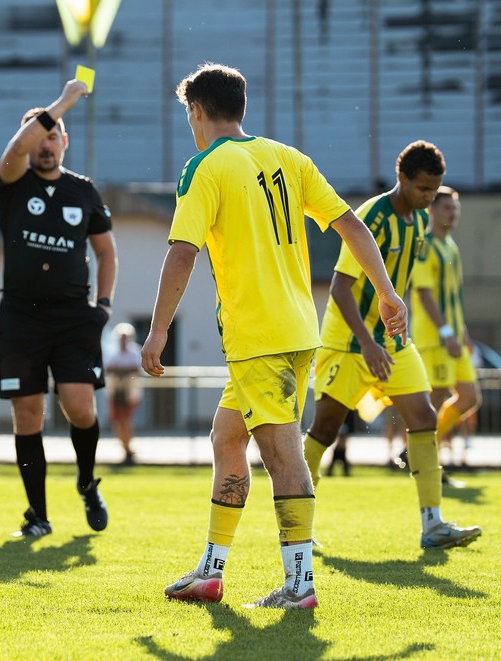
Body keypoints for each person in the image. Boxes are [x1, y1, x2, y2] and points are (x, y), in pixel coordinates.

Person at [141, 63, 408, 609]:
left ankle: (300, 585)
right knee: (227, 440)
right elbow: (350, 224)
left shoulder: (204, 167)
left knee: (283, 454)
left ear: (195, 110)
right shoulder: (289, 158)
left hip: (258, 337)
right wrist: (386, 292)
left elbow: (182, 251)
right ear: (241, 107)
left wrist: (158, 330)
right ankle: (211, 572)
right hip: (296, 329)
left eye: (187, 113)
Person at [303, 141, 482, 550]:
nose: (429, 198)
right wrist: (366, 344)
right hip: (350, 342)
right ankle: (297, 524)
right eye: (423, 189)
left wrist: (390, 334)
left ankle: (432, 524)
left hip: (394, 343)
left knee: (424, 416)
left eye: (435, 190)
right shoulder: (373, 217)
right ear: (402, 178)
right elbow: (341, 288)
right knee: (325, 428)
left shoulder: (420, 221)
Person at [0, 78, 118, 538]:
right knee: (28, 412)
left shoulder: (83, 191)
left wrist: (102, 305)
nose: (44, 144)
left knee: (79, 407)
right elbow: (15, 149)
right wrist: (64, 101)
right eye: (37, 136)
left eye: (53, 135)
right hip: (21, 315)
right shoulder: (10, 180)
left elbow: (107, 252)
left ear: (64, 141)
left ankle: (87, 483)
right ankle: (38, 516)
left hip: (72, 316)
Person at [410, 186, 481, 485]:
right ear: (432, 211)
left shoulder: (450, 246)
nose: (452, 213)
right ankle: (425, 462)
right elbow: (423, 293)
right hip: (436, 339)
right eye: (446, 208)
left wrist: (462, 333)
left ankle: (419, 451)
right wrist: (447, 331)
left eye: (455, 208)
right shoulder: (425, 245)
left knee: (469, 397)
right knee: (435, 399)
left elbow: (453, 297)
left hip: (453, 337)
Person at [105, 323, 143, 465]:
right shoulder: (112, 351)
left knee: (126, 419)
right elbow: (109, 368)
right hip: (115, 390)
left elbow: (136, 368)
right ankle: (124, 447)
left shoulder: (134, 351)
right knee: (117, 420)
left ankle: (127, 446)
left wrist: (120, 369)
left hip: (129, 391)